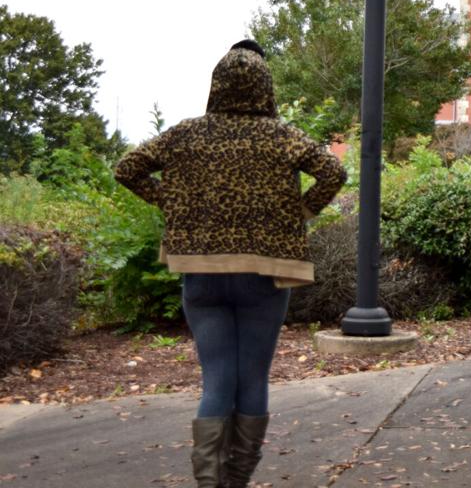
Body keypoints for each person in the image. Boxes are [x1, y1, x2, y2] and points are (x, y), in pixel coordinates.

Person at [115, 41, 347, 488]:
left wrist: (173, 202)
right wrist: (300, 210)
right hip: (264, 273)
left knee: (217, 379)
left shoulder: (184, 134)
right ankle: (236, 479)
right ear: (266, 88)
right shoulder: (283, 135)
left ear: (216, 86)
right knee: (252, 378)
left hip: (201, 273)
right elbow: (333, 173)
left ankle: (209, 483)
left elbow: (127, 168)